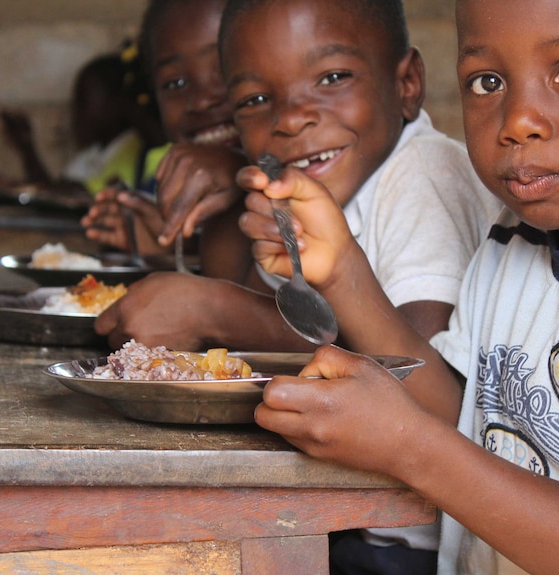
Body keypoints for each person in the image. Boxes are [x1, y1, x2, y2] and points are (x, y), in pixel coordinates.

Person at [241, 0, 559, 573]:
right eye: (487, 82)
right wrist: (341, 272)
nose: (517, 121)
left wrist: (411, 448)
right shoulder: (516, 241)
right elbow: (462, 412)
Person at [99, 0, 502, 572]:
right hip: (345, 515)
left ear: (407, 82)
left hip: (401, 544)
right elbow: (240, 281)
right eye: (256, 100)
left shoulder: (423, 178)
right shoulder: (319, 182)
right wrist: (231, 195)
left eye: (332, 77)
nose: (291, 117)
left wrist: (220, 311)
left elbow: (415, 379)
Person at [80, 0, 253, 277]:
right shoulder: (170, 178)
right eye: (175, 84)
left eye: (223, 67)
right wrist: (167, 247)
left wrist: (240, 173)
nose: (201, 100)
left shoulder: (320, 172)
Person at [0, 43, 167, 217]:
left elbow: (77, 196)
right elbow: (58, 193)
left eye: (83, 102)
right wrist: (25, 154)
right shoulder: (95, 153)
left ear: (116, 103)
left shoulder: (133, 148)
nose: (75, 113)